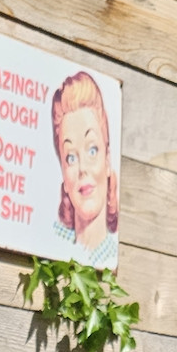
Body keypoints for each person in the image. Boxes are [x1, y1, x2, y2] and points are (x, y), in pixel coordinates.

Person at [50, 71, 119, 266]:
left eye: (92, 150)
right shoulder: (52, 241)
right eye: (70, 157)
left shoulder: (110, 259)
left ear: (107, 159)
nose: (82, 169)